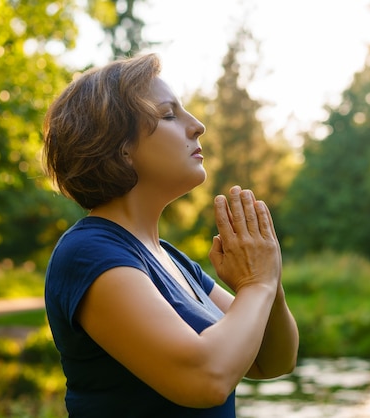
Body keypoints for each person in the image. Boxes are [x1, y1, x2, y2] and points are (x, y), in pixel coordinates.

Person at [41, 52, 299, 417]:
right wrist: (256, 284)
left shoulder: (172, 259)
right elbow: (205, 378)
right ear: (120, 147)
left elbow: (273, 360)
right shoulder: (88, 253)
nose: (197, 126)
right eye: (168, 115)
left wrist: (267, 278)